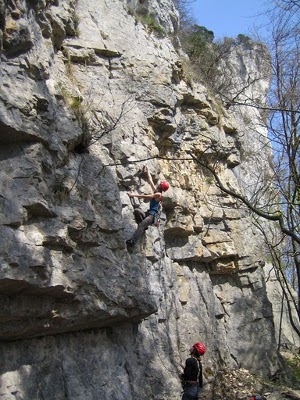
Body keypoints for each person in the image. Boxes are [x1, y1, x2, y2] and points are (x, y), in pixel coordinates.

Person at [126, 166, 169, 247]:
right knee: (137, 211)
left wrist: (132, 195)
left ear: (161, 187)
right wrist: (147, 170)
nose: (159, 184)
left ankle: (132, 241)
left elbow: (145, 197)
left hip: (152, 216)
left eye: (160, 184)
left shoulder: (158, 194)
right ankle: (143, 226)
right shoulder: (157, 191)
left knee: (141, 225)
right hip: (148, 214)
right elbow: (150, 181)